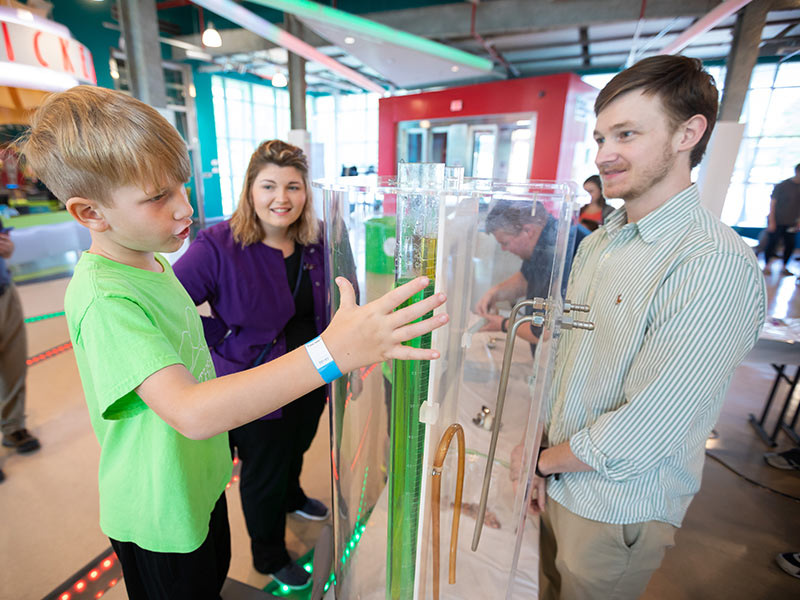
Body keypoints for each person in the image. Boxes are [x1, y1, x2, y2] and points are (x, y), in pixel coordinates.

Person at [16, 85, 448, 600]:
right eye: (158, 197)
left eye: (181, 186)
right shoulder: (104, 297)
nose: (185, 208)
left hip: (201, 483)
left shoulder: (151, 263)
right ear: (91, 213)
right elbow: (190, 410)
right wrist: (331, 353)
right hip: (161, 512)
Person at [531, 56, 766, 600]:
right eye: (600, 136)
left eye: (627, 134)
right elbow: (569, 363)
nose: (603, 154)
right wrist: (542, 464)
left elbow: (648, 424)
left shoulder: (711, 262)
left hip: (615, 506)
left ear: (689, 133)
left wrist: (539, 464)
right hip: (560, 478)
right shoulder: (600, 242)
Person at [173, 140, 328, 589]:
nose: (282, 198)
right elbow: (172, 306)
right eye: (269, 186)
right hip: (255, 385)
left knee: (297, 445)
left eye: (293, 187)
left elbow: (340, 296)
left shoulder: (316, 241)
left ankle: (294, 495)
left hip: (314, 374)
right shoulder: (219, 244)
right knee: (263, 472)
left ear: (306, 193)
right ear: (250, 190)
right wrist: (224, 341)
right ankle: (269, 553)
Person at [476, 200, 590, 349]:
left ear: (528, 231)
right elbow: (525, 278)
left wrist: (503, 323)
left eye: (505, 242)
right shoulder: (544, 239)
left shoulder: (563, 250)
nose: (504, 249)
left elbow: (543, 332)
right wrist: (494, 293)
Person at [0, 216, 41, 484]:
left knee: (13, 364)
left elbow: (7, 247)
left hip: (4, 290)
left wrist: (6, 249)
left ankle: (13, 427)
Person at [763, 163, 800, 276]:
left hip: (792, 223)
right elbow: (772, 204)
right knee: (772, 243)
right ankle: (767, 266)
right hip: (777, 220)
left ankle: (784, 267)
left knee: (790, 245)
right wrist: (772, 221)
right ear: (797, 172)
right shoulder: (782, 185)